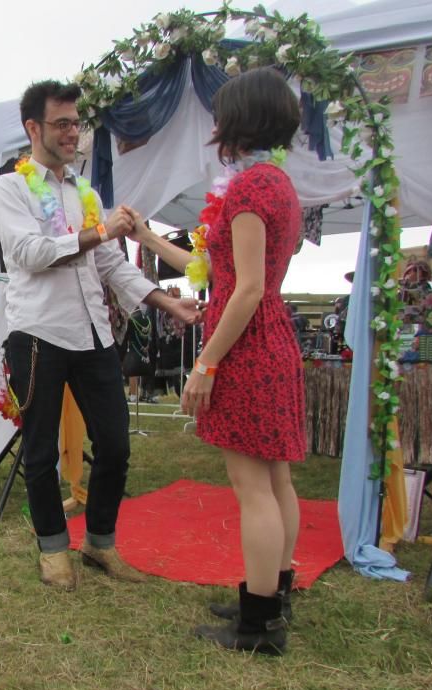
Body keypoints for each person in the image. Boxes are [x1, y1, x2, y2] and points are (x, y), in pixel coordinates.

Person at [0, 80, 200, 592]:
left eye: (76, 123)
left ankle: (100, 543)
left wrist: (165, 301)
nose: (72, 133)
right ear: (32, 128)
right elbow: (32, 254)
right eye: (61, 123)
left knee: (116, 445)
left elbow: (110, 265)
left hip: (94, 335)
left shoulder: (84, 193)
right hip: (38, 334)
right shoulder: (9, 188)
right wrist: (102, 230)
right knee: (39, 452)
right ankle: (53, 550)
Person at [130, 67, 304, 655]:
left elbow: (247, 289)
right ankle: (271, 597)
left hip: (250, 343)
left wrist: (205, 363)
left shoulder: (253, 190)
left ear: (242, 117)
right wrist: (148, 239)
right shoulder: (272, 182)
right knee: (274, 478)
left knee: (252, 484)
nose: (216, 122)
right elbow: (218, 272)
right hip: (267, 337)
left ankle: (258, 628)